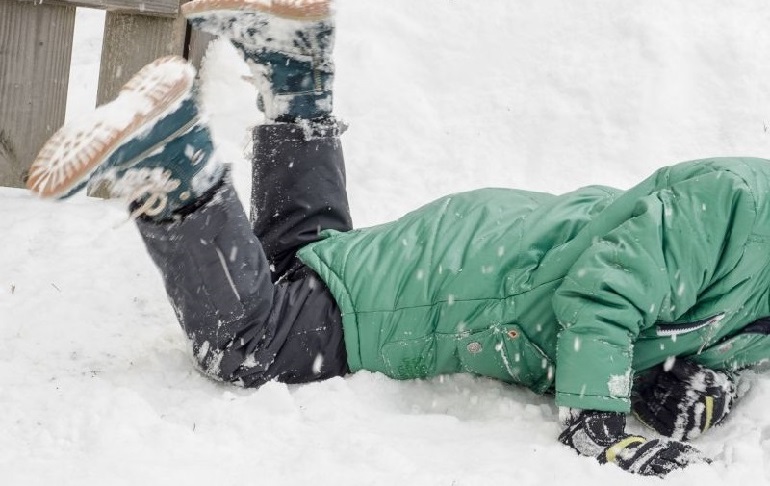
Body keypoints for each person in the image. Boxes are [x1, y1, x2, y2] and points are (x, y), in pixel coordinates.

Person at [25, 0, 769, 477]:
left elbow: (706, 327)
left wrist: (691, 382)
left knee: (303, 263)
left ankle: (296, 76)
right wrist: (599, 424)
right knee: (253, 343)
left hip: (491, 250)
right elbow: (604, 294)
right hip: (466, 286)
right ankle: (172, 159)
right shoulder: (730, 202)